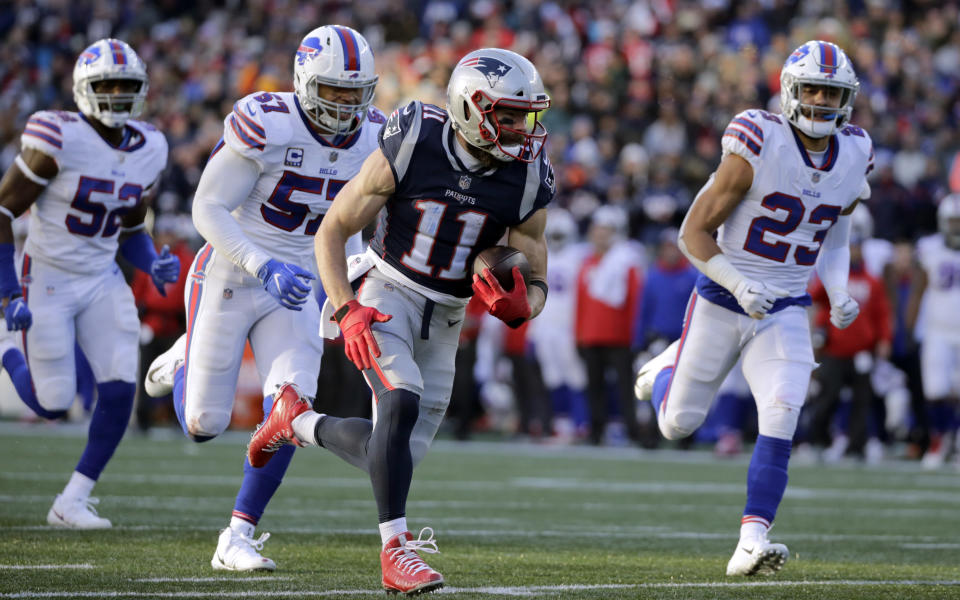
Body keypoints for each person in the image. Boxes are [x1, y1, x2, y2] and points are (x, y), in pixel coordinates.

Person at [247, 48, 554, 595]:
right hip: (389, 289)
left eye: (524, 116)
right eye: (507, 116)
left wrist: (524, 303)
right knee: (401, 399)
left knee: (392, 455)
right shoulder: (415, 139)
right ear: (470, 107)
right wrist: (347, 309)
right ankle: (396, 552)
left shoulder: (528, 176)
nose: (520, 129)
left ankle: (294, 422)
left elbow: (535, 265)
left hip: (450, 314)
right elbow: (332, 230)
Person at [141, 25, 382, 570]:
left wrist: (355, 270)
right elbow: (207, 208)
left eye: (355, 92)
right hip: (230, 270)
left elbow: (369, 223)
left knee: (289, 408)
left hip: (297, 282)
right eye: (334, 91)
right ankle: (182, 355)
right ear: (303, 83)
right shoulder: (267, 121)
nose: (345, 106)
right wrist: (260, 262)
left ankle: (238, 535)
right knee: (203, 424)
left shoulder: (376, 136)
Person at [634, 40, 872, 576]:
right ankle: (666, 366)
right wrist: (739, 285)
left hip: (786, 305)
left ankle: (752, 539)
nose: (820, 100)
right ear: (789, 90)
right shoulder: (757, 140)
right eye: (811, 88)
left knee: (784, 411)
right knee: (678, 425)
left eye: (831, 92)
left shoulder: (855, 151)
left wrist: (838, 292)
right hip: (722, 298)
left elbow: (835, 230)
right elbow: (691, 234)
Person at [0, 39, 178, 528]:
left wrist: (150, 262)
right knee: (51, 404)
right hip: (48, 278)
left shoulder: (149, 146)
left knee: (121, 387)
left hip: (101, 277)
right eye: (108, 85)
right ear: (84, 90)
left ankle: (73, 499)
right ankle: (4, 346)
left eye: (128, 86)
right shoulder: (58, 137)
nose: (119, 93)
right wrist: (8, 292)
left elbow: (129, 226)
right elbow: (1, 211)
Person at [912, 194, 960, 468]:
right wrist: (908, 325)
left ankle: (955, 443)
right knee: (936, 390)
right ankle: (939, 441)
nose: (956, 228)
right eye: (952, 222)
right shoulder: (929, 248)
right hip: (937, 329)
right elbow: (919, 289)